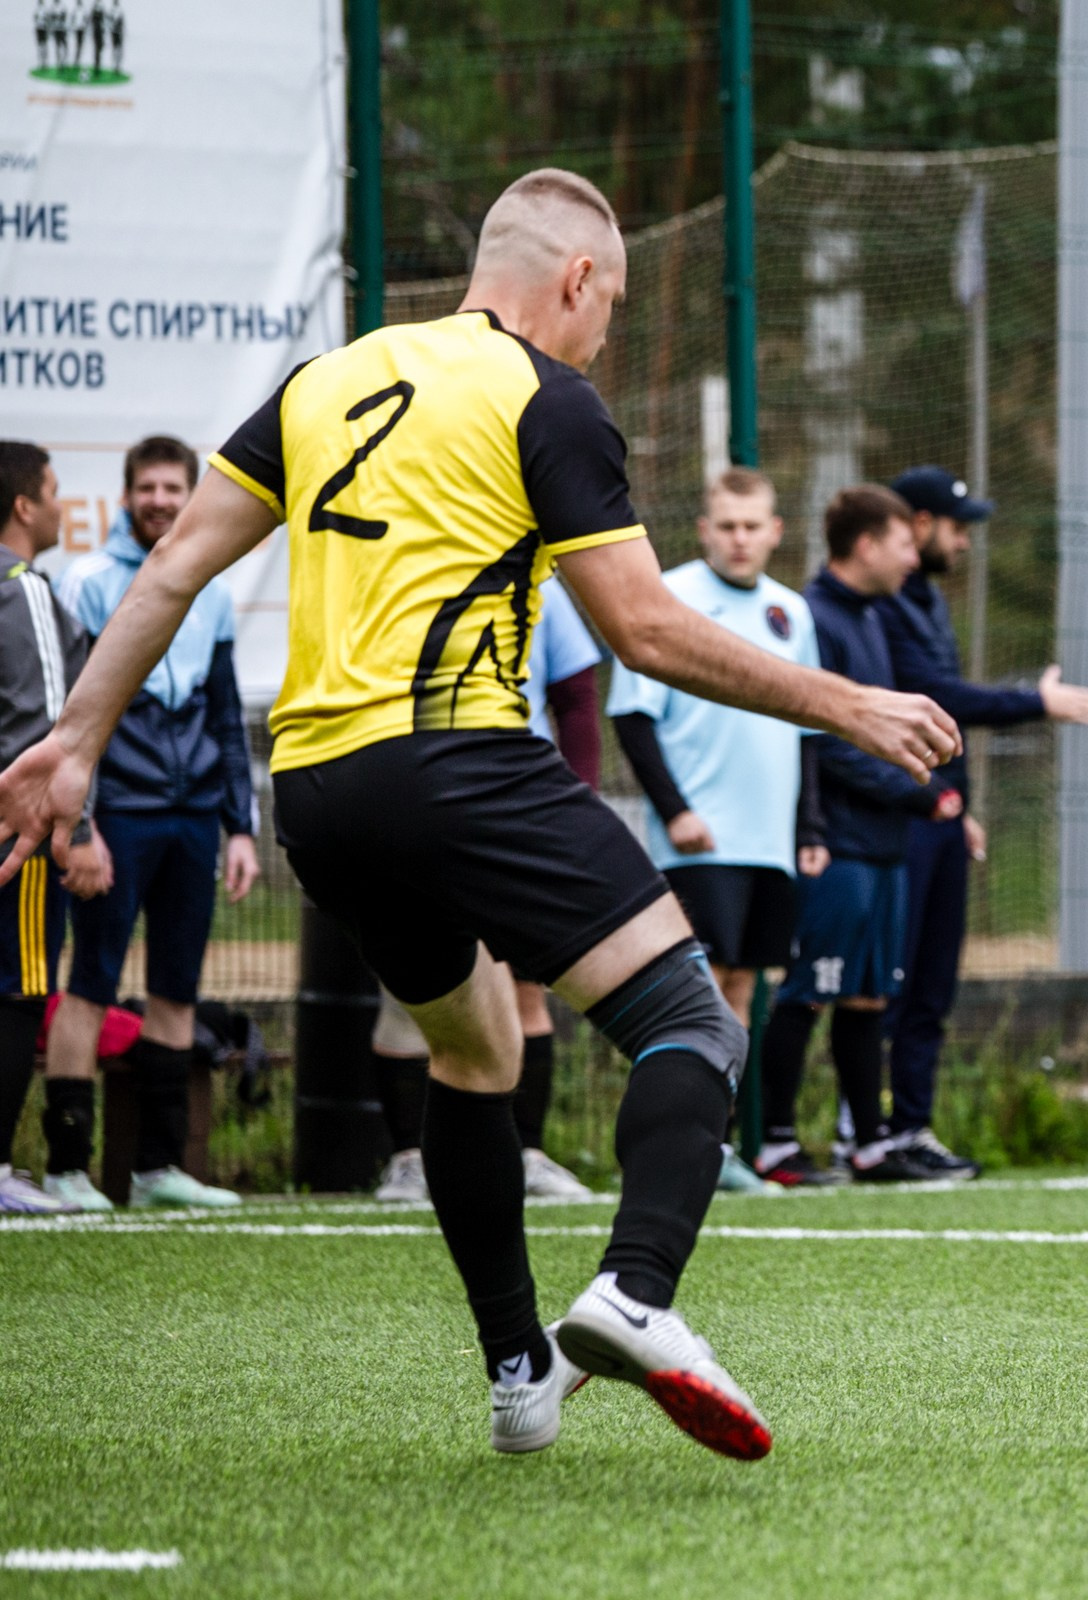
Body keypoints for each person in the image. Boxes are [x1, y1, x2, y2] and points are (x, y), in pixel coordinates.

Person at [0, 167, 960, 1458]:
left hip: (319, 794)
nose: (605, 333)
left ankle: (519, 1377)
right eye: (608, 303)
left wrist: (76, 744)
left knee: (473, 1055)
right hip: (455, 758)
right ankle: (635, 1290)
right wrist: (848, 703)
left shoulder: (326, 381)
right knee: (690, 1016)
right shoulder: (545, 397)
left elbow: (174, 566)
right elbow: (648, 632)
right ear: (574, 281)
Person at [829, 464, 1088, 1184]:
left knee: (933, 981)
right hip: (903, 812)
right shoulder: (878, 607)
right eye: (956, 528)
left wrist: (963, 805)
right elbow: (934, 696)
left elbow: (938, 725)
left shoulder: (922, 599)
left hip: (942, 812)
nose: (963, 543)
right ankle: (861, 1128)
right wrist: (1034, 703)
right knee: (884, 980)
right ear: (916, 528)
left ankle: (912, 1125)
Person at [41, 436, 257, 1212]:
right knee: (90, 982)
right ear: (127, 495)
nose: (162, 500)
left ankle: (159, 1168)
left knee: (178, 987)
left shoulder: (216, 591)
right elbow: (69, 714)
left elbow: (228, 719)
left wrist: (240, 827)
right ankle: (67, 1167)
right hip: (119, 814)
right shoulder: (88, 583)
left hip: (195, 815)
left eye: (175, 489)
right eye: (149, 488)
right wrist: (82, 824)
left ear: (192, 496)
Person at [610, 466, 824, 1194]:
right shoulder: (668, 597)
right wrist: (675, 810)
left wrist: (810, 824)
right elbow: (632, 716)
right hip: (698, 836)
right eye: (725, 526)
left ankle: (716, 1147)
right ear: (705, 531)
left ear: (775, 532)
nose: (739, 539)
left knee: (741, 986)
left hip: (770, 840)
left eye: (751, 525)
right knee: (694, 992)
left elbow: (809, 723)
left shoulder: (791, 613)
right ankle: (669, 1146)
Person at [373, 572, 606, 1205]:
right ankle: (409, 1161)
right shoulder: (390, 571)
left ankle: (525, 1153)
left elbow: (577, 699)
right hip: (413, 800)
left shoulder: (541, 582)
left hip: (517, 811)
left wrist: (576, 805)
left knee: (529, 988)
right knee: (411, 991)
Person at [780, 484, 964, 1184]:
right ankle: (773, 1140)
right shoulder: (813, 616)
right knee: (809, 989)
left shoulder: (875, 615)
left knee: (867, 995)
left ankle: (870, 1144)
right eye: (901, 544)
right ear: (865, 545)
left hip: (885, 840)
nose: (912, 558)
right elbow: (825, 736)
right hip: (840, 840)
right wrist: (918, 789)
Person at [0, 441, 101, 1214]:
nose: (64, 507)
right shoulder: (24, 589)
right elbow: (48, 726)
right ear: (26, 506)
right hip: (18, 835)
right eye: (56, 492)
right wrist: (79, 825)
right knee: (18, 990)